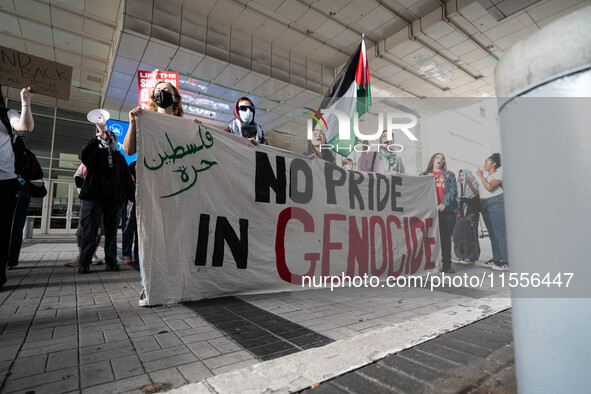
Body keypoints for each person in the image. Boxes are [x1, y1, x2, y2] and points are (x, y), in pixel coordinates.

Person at [125, 81, 193, 306]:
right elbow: (129, 149)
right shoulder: (145, 120)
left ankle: (176, 284)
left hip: (178, 191)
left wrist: (198, 131)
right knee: (151, 238)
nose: (161, 94)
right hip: (153, 190)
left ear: (175, 98)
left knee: (177, 239)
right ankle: (150, 286)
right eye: (158, 92)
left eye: (167, 91)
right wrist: (133, 123)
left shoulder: (185, 126)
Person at [78, 124, 134, 274]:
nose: (110, 140)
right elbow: (84, 154)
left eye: (111, 137)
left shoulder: (120, 158)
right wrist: (97, 139)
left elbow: (127, 181)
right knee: (89, 231)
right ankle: (84, 263)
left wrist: (133, 198)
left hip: (113, 200)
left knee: (111, 233)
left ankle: (111, 261)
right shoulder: (94, 153)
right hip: (92, 199)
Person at [0, 87, 34, 290]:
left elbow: (25, 126)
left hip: (4, 182)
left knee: (3, 231)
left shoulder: (7, 115)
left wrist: (25, 101)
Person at [8, 134, 43, 269]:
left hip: (11, 190)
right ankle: (12, 259)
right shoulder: (28, 154)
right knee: (17, 227)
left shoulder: (9, 150)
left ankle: (6, 259)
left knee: (7, 225)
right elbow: (38, 173)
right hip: (25, 191)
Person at [421, 153, 458, 274]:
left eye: (442, 159)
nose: (440, 160)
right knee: (428, 238)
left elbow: (453, 192)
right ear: (432, 160)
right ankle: (428, 264)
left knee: (445, 239)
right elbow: (417, 188)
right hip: (430, 212)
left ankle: (447, 265)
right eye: (437, 158)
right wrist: (426, 179)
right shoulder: (425, 175)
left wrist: (444, 203)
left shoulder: (449, 175)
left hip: (446, 211)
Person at [64, 164, 103, 267]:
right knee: (82, 228)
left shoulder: (106, 161)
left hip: (101, 199)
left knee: (98, 230)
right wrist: (86, 189)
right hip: (87, 198)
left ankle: (92, 253)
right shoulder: (85, 164)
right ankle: (81, 254)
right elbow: (78, 178)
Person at [476, 153, 508, 271]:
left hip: (495, 203)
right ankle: (497, 259)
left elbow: (490, 187)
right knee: (492, 234)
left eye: (486, 162)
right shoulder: (487, 177)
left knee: (499, 233)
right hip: (485, 204)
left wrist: (480, 176)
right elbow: (480, 194)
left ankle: (506, 261)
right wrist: (470, 184)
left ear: (493, 164)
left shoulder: (497, 174)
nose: (484, 164)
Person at [453, 169, 481, 263]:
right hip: (460, 215)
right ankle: (460, 255)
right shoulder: (457, 188)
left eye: (463, 175)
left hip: (471, 215)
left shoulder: (474, 186)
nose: (461, 177)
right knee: (458, 236)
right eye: (460, 175)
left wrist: (463, 199)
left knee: (469, 236)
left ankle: (471, 257)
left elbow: (476, 201)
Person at [122, 161, 138, 265]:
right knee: (128, 231)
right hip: (129, 207)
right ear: (133, 168)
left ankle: (138, 255)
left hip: (141, 208)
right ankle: (127, 255)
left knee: (140, 233)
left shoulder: (144, 179)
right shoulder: (128, 178)